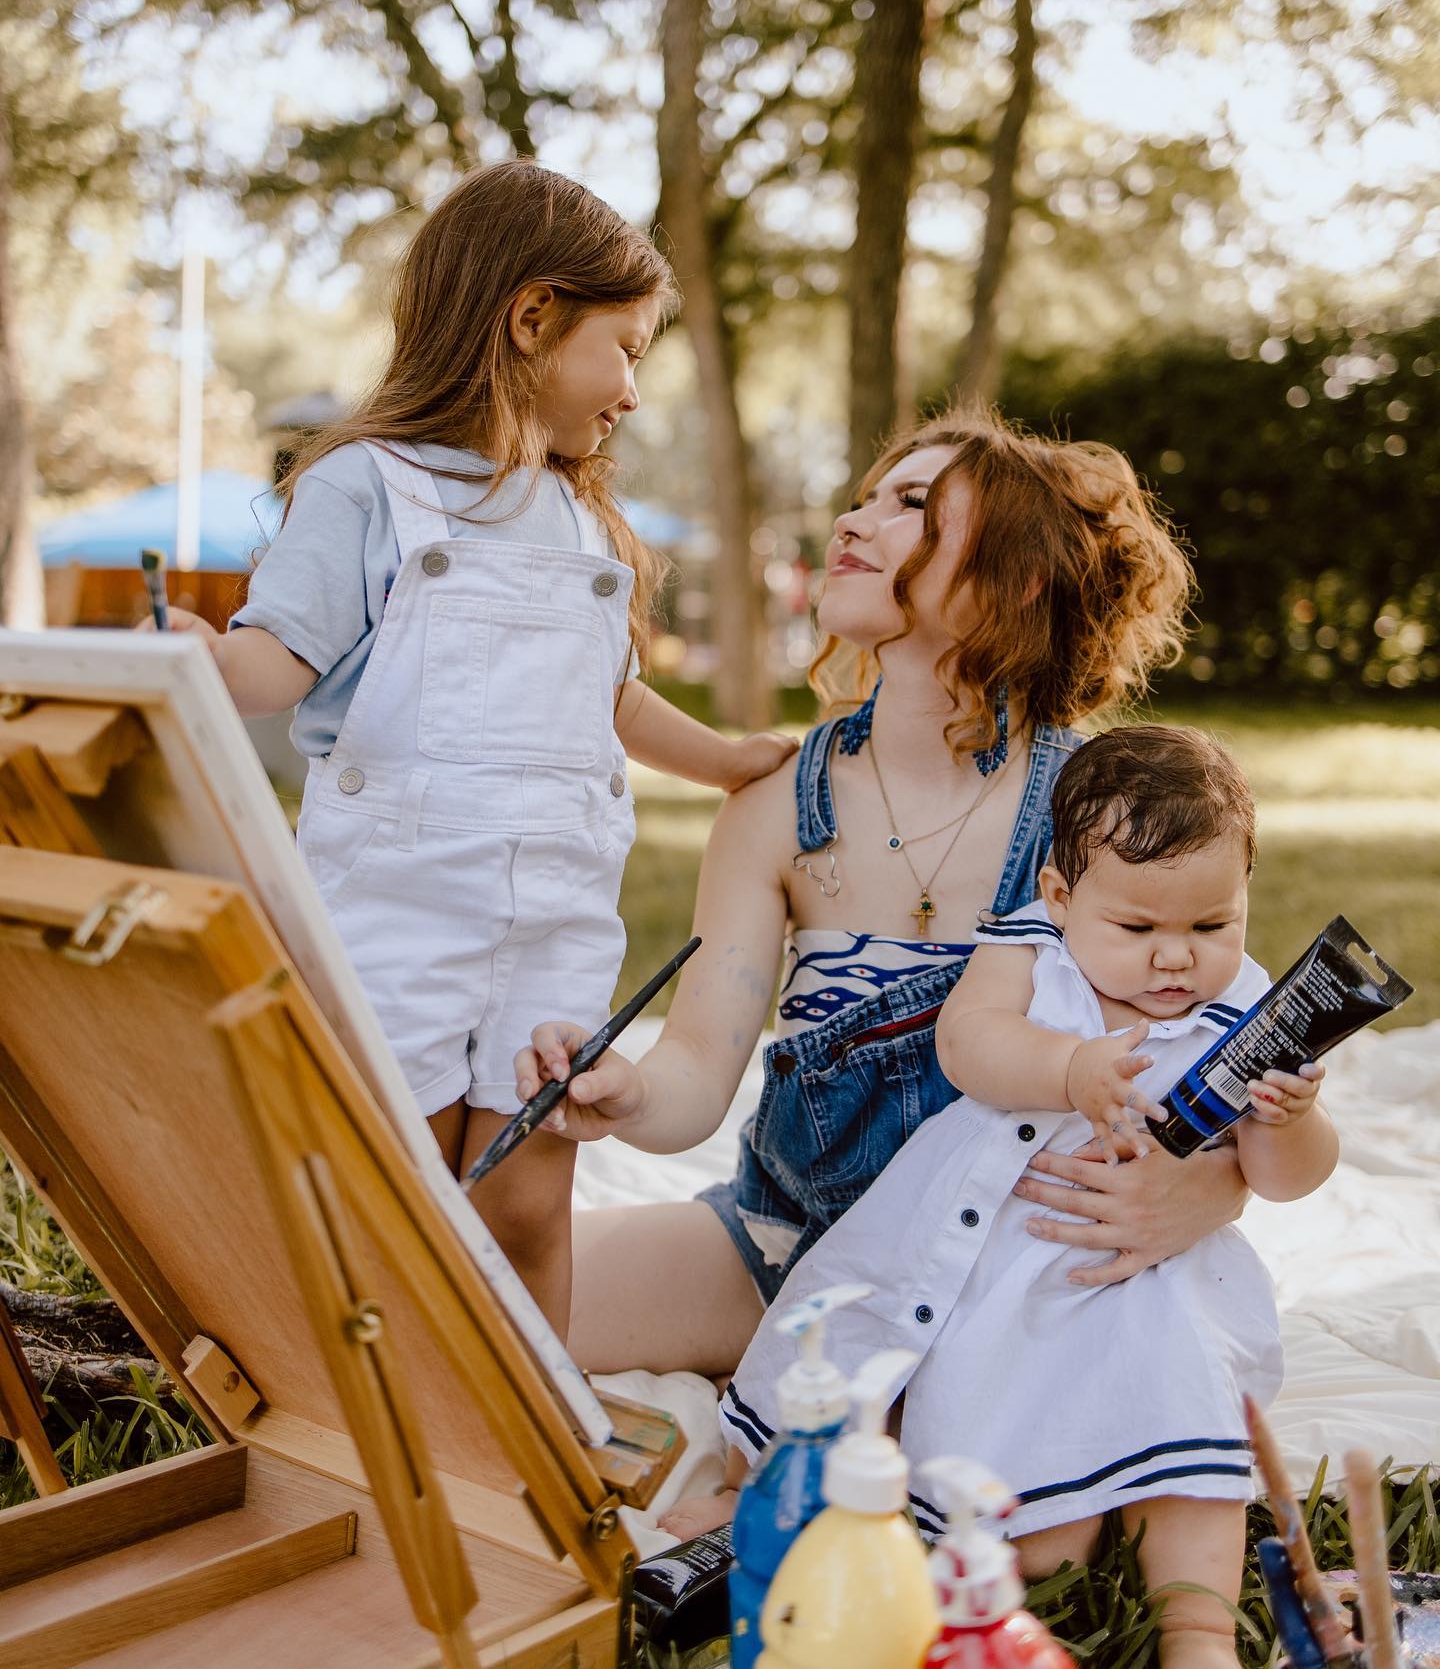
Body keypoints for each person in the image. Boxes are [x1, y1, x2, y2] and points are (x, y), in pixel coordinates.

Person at [143, 160, 794, 1337]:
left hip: (554, 918)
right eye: (628, 348)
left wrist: (732, 758)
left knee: (532, 1198)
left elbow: (614, 698)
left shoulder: (579, 517)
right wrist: (196, 653)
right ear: (532, 317)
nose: (635, 393)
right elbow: (272, 661)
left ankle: (537, 1442)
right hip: (397, 911)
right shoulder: (361, 488)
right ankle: (400, 1430)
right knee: (403, 1190)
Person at [516, 411, 1255, 1422]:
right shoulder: (777, 804)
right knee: (478, 1301)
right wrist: (623, 1092)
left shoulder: (1095, 805)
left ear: (1018, 578)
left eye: (912, 504)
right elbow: (694, 1070)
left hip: (1004, 1264)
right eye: (866, 494)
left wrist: (1214, 1190)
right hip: (784, 1242)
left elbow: (1196, 1029)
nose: (856, 519)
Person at [718, 725, 1337, 1668]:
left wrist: (1287, 1122)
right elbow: (969, 1044)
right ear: (1060, 895)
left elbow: (1286, 1178)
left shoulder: (1248, 1010)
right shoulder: (1029, 953)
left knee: (1191, 1412)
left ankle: (1199, 1628)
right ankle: (753, 1503)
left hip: (1148, 1279)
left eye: (1211, 926)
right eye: (1138, 929)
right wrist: (1069, 1066)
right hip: (987, 1249)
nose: (1176, 959)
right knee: (912, 1414)